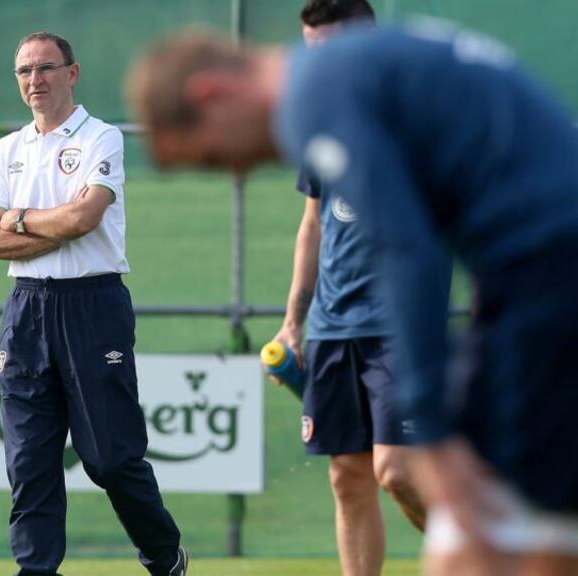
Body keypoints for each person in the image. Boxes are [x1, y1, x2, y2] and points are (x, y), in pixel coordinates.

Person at [128, 20, 578, 576]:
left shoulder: (314, 94)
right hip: (535, 278)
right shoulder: (344, 71)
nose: (240, 171)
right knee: (495, 535)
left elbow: (403, 248)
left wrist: (431, 429)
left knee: (520, 536)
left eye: (217, 159)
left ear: (212, 94)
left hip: (551, 278)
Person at [0, 31, 187, 576]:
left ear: (71, 73)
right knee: (28, 462)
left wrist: (19, 220)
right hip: (25, 308)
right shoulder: (6, 150)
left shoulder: (101, 137)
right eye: (24, 71)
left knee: (110, 459)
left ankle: (164, 556)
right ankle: (37, 570)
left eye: (46, 68)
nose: (34, 81)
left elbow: (83, 218)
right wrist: (52, 226)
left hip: (92, 306)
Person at [269, 2, 435, 575]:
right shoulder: (322, 122)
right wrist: (295, 318)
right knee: (348, 478)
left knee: (398, 470)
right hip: (333, 328)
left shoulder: (419, 117)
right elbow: (313, 224)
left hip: (400, 326)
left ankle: (483, 553)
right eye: (313, 51)